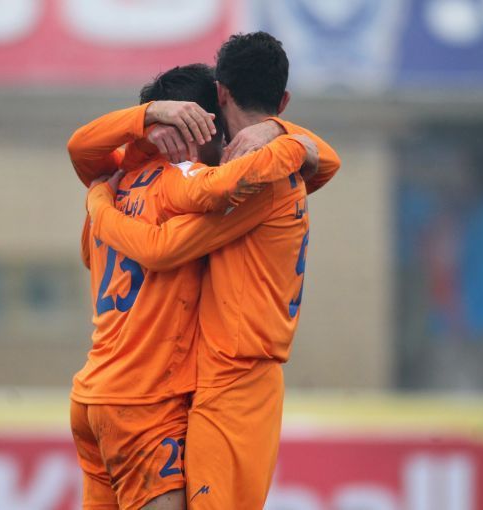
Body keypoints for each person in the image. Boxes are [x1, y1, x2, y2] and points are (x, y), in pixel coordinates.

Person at [84, 31, 342, 509]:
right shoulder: (244, 173)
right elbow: (326, 163)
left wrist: (99, 203)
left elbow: (155, 240)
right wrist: (285, 134)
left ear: (220, 95)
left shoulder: (243, 180)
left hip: (213, 381)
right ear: (284, 101)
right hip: (191, 383)